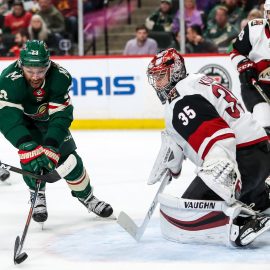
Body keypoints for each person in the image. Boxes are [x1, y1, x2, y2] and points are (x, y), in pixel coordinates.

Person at [146, 48, 270, 246]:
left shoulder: (181, 97)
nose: (157, 83)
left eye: (161, 76)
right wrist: (173, 159)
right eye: (155, 78)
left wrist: (221, 173)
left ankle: (243, 221)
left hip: (242, 159)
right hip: (260, 154)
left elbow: (219, 137)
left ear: (176, 71)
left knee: (190, 208)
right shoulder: (196, 81)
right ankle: (261, 198)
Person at [0, 40, 113, 223]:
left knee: (70, 160)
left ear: (49, 64)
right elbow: (6, 116)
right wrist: (25, 143)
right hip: (25, 122)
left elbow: (61, 114)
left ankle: (87, 197)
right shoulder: (8, 79)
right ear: (21, 65)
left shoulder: (60, 76)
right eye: (30, 71)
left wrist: (52, 144)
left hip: (48, 121)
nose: (36, 76)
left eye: (40, 71)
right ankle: (37, 196)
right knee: (31, 159)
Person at [230, 0, 270, 137]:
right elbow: (236, 52)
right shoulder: (254, 28)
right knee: (264, 123)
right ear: (266, 13)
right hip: (256, 86)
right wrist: (244, 66)